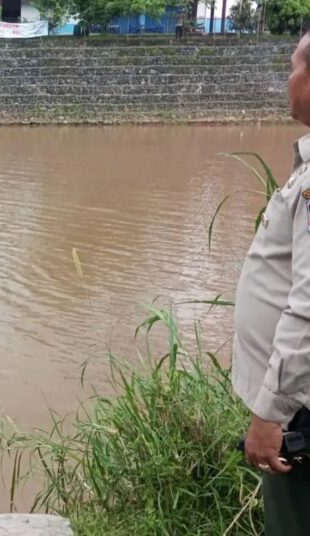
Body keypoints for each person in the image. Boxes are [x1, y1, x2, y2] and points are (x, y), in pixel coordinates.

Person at [235, 31, 310, 536]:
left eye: (293, 67)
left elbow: (308, 306)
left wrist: (269, 414)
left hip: (298, 415)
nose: (288, 80)